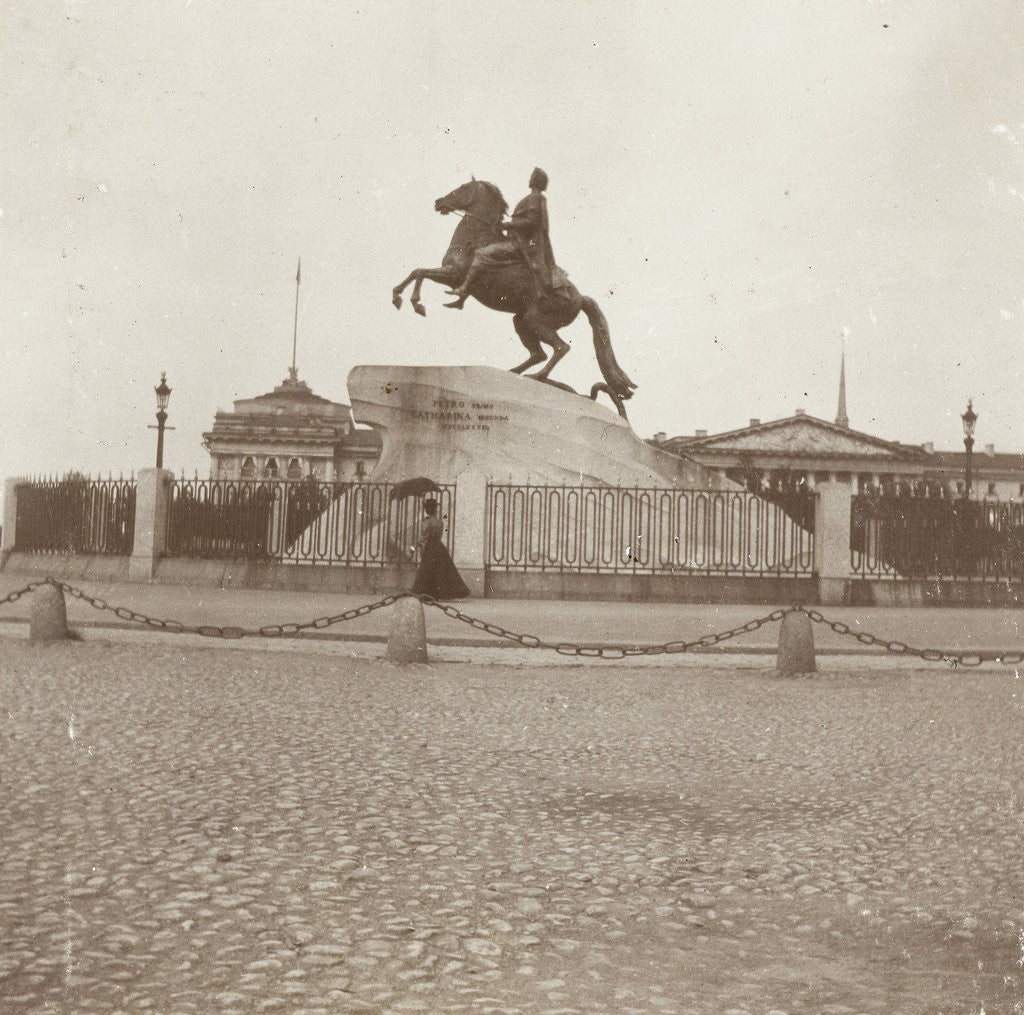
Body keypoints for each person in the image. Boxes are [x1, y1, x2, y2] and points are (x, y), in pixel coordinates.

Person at [445, 167, 569, 309]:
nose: (529, 179)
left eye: (531, 177)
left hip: (520, 244)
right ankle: (462, 297)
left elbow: (532, 222)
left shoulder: (535, 198)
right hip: (517, 240)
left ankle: (464, 290)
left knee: (480, 254)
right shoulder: (534, 198)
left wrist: (507, 225)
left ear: (535, 181)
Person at [411, 499, 470, 600]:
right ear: (435, 509)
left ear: (427, 510)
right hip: (439, 547)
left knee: (426, 571)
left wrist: (413, 548)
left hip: (430, 548)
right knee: (440, 571)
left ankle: (426, 593)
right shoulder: (440, 522)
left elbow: (423, 537)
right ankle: (438, 594)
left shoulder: (427, 522)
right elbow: (439, 535)